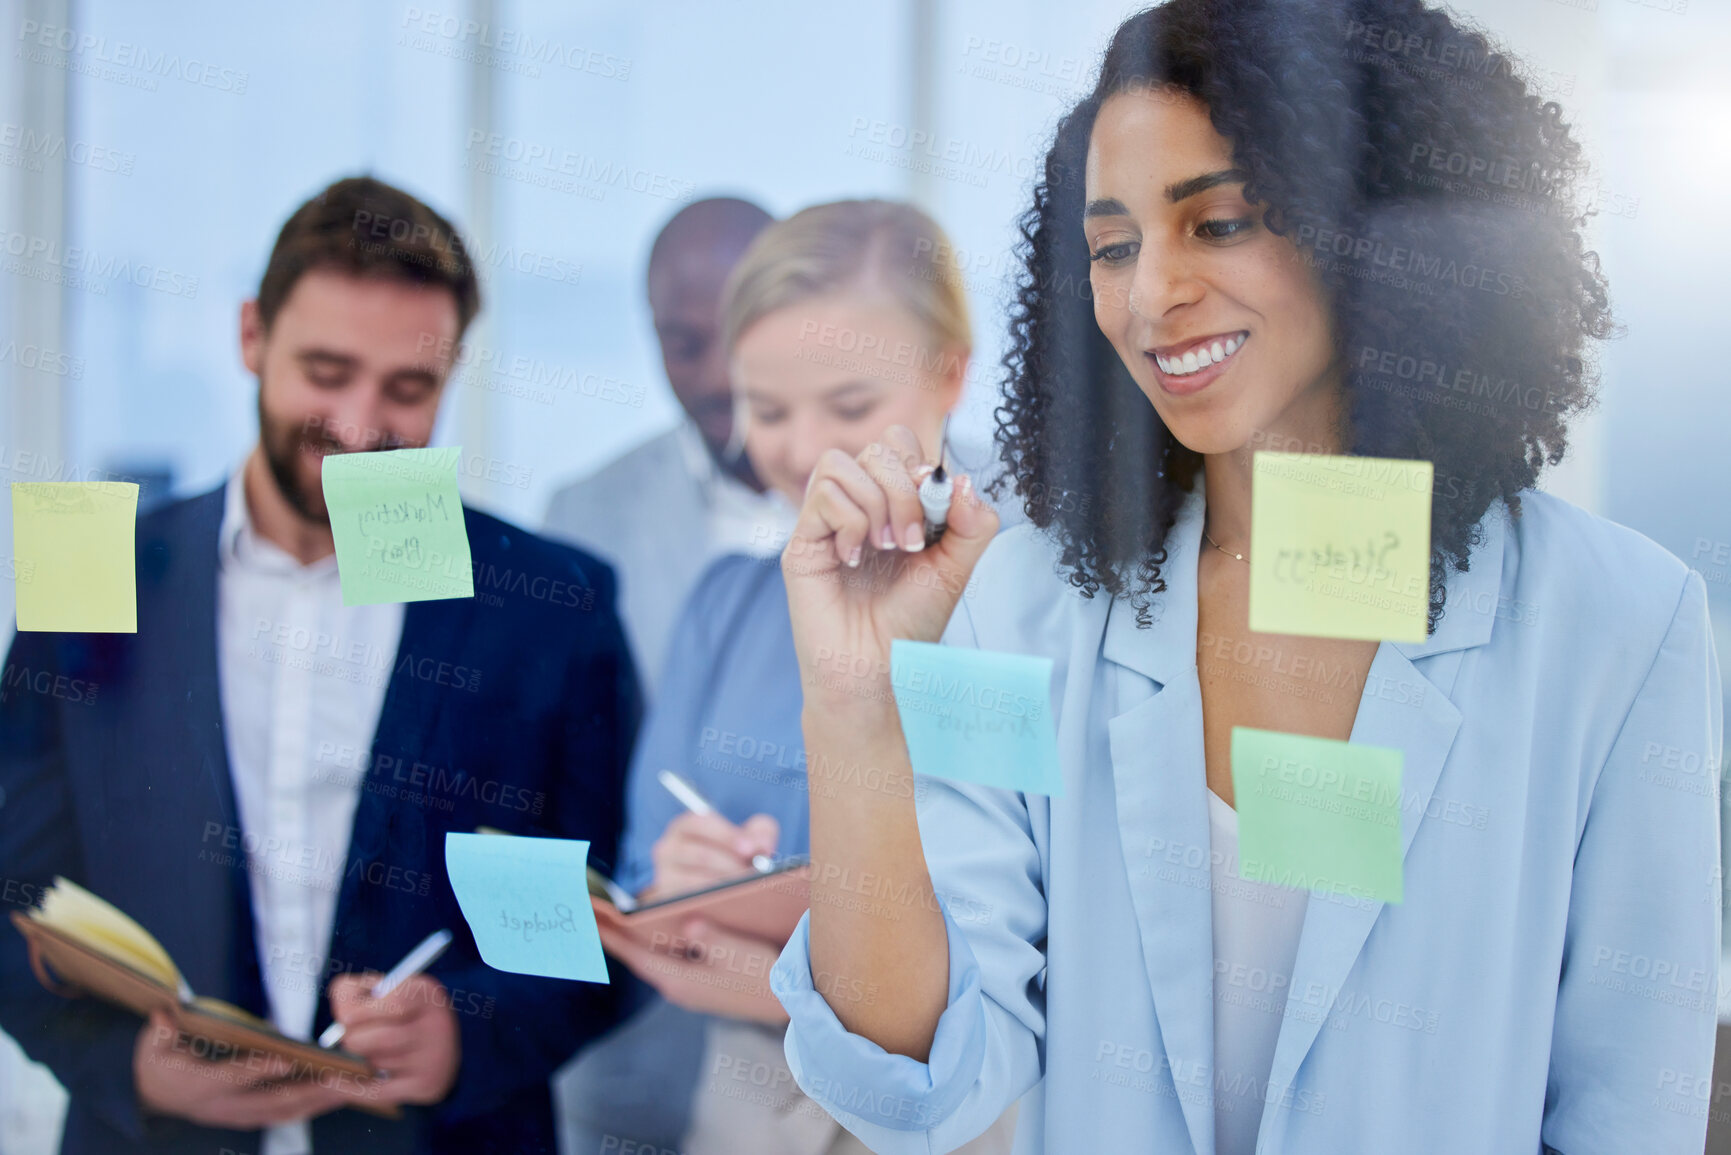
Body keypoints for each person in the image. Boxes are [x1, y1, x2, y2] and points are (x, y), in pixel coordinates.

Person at [766, 1, 1723, 1153]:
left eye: (1217, 226)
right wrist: (855, 707)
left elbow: (1631, 1113)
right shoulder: (1021, 608)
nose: (1150, 294)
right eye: (1113, 246)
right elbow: (919, 1083)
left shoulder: (1616, 619)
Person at [0, 176, 640, 1155]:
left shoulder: (549, 604)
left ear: (453, 370)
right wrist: (124, 1064)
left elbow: (613, 915)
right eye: (325, 371)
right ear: (252, 335)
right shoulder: (96, 571)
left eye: (408, 387)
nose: (357, 424)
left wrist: (468, 1034)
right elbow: (13, 896)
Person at [561, 201, 1017, 1155]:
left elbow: (1038, 931)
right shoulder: (726, 601)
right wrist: (675, 877)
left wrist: (763, 973)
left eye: (848, 405)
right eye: (764, 411)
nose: (806, 449)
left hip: (983, 1119)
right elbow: (645, 875)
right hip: (749, 1116)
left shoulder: (1030, 592)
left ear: (949, 371)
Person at [543, 196, 792, 698]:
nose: (721, 378)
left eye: (744, 337)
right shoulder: (581, 518)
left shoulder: (965, 500)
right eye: (685, 346)